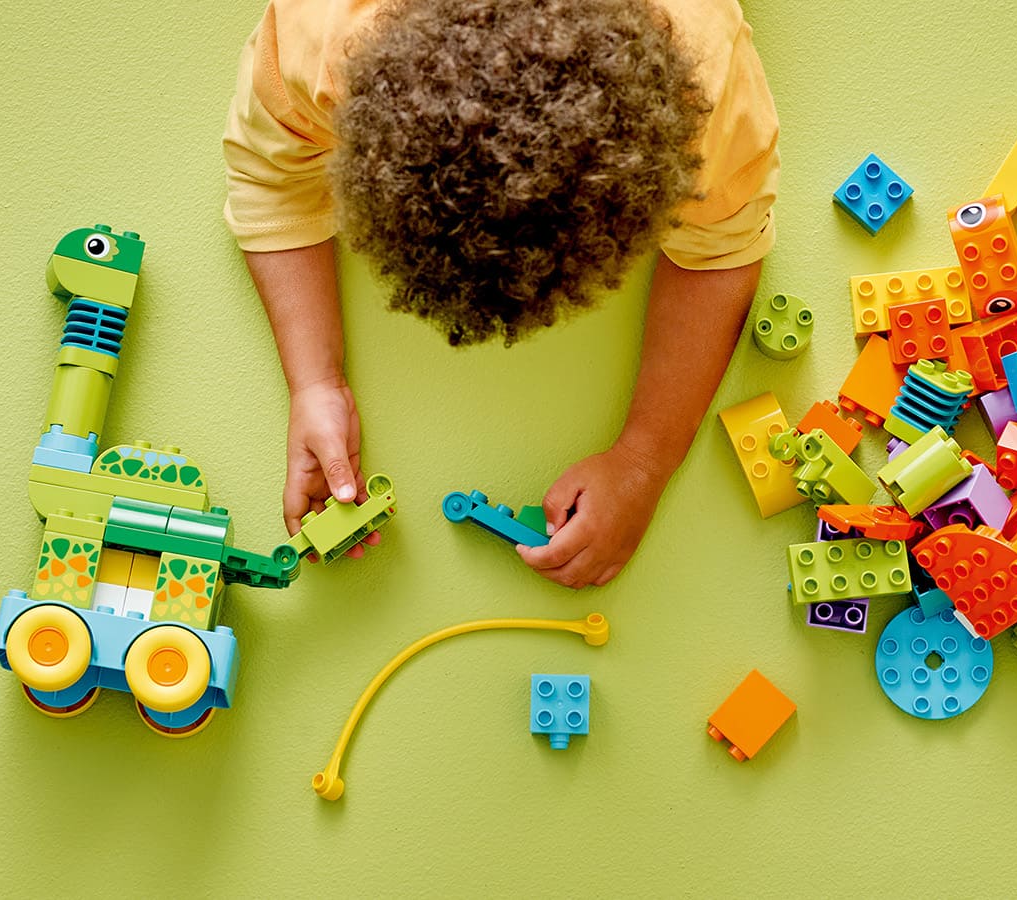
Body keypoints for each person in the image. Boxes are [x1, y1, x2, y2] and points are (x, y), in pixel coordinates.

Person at [223, 0, 778, 588]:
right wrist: (315, 383)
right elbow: (268, 179)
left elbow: (723, 249)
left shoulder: (697, 86)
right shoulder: (324, 41)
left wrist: (645, 459)